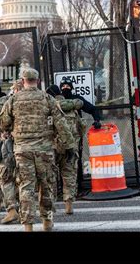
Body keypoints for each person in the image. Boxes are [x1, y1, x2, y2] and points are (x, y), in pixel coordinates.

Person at [0, 68, 75, 232]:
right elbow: (61, 124)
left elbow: (3, 123)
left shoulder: (13, 100)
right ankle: (47, 222)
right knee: (46, 185)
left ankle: (28, 226)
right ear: (38, 81)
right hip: (44, 150)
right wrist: (69, 146)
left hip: (22, 150)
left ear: (23, 81)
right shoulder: (47, 98)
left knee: (26, 186)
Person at [46, 85, 83, 214]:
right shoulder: (73, 108)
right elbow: (80, 127)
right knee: (69, 175)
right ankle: (69, 205)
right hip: (70, 146)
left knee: (50, 176)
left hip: (53, 147)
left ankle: (50, 204)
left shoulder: (49, 108)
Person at [0, 79, 23, 224]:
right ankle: (24, 211)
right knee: (24, 179)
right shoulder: (35, 101)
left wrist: (4, 132)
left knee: (6, 178)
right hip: (27, 146)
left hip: (9, 146)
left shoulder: (5, 102)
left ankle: (12, 210)